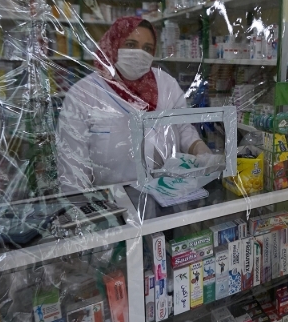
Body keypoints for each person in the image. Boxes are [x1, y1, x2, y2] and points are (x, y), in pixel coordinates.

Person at [57, 16, 209, 191]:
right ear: (114, 44)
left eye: (147, 48)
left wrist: (198, 147)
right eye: (130, 45)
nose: (139, 54)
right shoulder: (84, 93)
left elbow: (182, 128)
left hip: (167, 191)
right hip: (114, 201)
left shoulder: (167, 84)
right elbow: (73, 169)